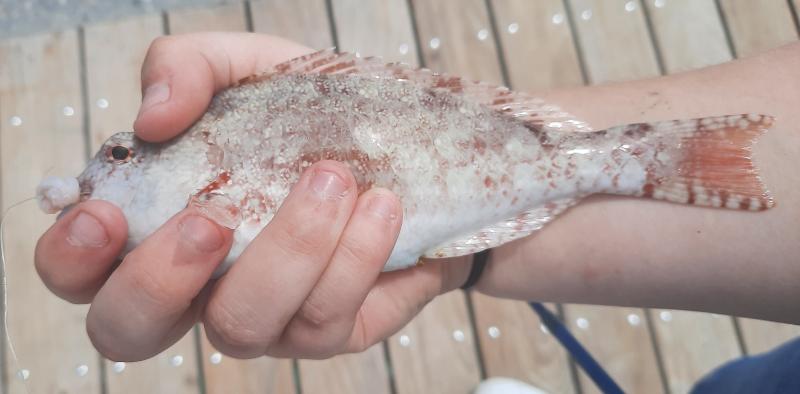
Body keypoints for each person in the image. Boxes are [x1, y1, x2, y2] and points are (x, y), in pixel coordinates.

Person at [34, 33, 799, 387]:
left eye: (119, 157)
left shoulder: (199, 151)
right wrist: (468, 251)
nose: (99, 177)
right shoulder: (198, 157)